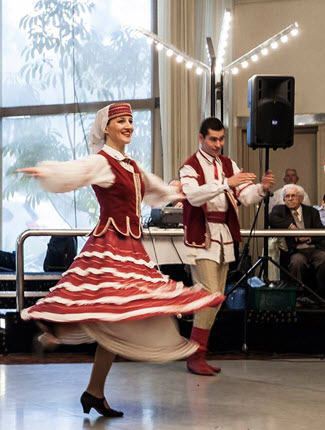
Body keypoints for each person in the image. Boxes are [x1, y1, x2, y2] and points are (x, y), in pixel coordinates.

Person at [18, 103, 225, 417]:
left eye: (130, 120)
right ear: (106, 128)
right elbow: (78, 171)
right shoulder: (102, 162)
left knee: (121, 318)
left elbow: (153, 188)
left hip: (130, 245)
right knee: (108, 307)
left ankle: (93, 391)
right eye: (121, 121)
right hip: (110, 245)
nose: (128, 125)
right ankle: (55, 333)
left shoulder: (131, 164)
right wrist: (47, 172)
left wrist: (175, 191)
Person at [179, 117, 275, 376]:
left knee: (216, 299)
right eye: (213, 139)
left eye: (221, 139)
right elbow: (193, 196)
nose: (218, 144)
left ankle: (198, 353)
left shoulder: (228, 163)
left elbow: (244, 194)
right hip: (202, 238)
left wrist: (261, 189)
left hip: (223, 236)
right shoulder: (189, 166)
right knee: (209, 296)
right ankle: (194, 355)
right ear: (201, 138)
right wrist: (225, 184)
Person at [269, 184, 325, 300]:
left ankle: (319, 296)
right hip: (295, 250)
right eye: (287, 196)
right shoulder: (279, 210)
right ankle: (298, 297)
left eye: (293, 196)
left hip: (313, 248)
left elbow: (320, 232)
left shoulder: (312, 211)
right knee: (297, 262)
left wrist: (308, 237)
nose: (290, 199)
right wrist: (291, 227)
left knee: (323, 258)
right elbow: (271, 219)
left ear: (301, 198)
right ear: (283, 199)